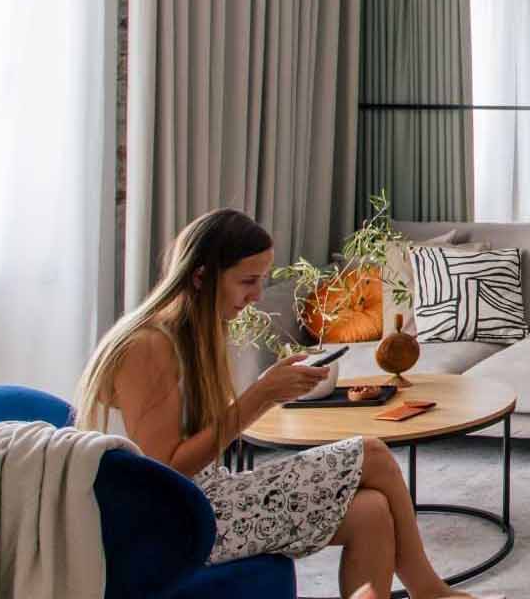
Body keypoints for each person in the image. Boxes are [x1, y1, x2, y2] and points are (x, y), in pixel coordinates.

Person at [75, 209, 491, 599]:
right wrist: (260, 396)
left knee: (373, 512)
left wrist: (265, 392)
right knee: (372, 453)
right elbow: (165, 470)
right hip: (168, 521)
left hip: (201, 497)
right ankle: (431, 592)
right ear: (202, 276)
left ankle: (428, 593)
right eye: (247, 281)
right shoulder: (149, 346)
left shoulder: (193, 334)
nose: (257, 294)